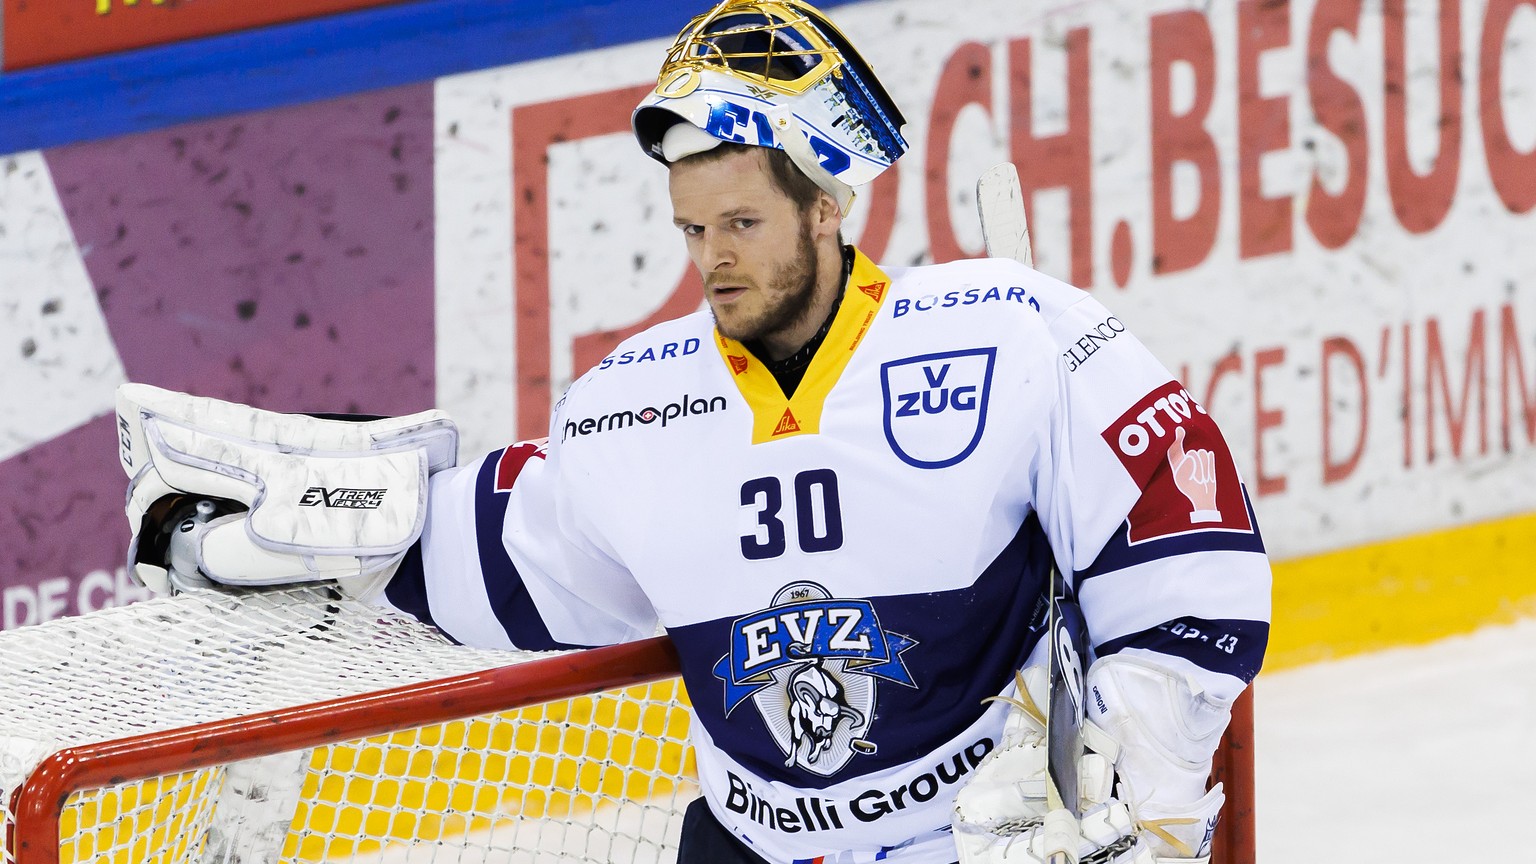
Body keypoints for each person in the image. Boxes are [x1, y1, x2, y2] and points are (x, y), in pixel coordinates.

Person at [113, 2, 1270, 862]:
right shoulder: (631, 402)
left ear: (831, 204)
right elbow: (518, 558)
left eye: (747, 221)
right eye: (693, 226)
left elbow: (1192, 550)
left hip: (986, 839)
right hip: (752, 848)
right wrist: (288, 525)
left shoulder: (1015, 332)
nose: (714, 255)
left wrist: (1135, 780)